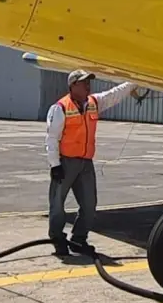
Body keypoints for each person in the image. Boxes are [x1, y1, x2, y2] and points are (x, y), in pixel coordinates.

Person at [46, 69, 135, 256]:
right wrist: (55, 165)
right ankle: (57, 239)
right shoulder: (60, 108)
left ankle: (79, 239)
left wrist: (135, 82)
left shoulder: (94, 103)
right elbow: (52, 138)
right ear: (73, 86)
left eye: (89, 82)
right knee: (57, 204)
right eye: (84, 82)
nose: (88, 85)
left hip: (86, 163)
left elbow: (114, 95)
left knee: (89, 204)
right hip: (65, 163)